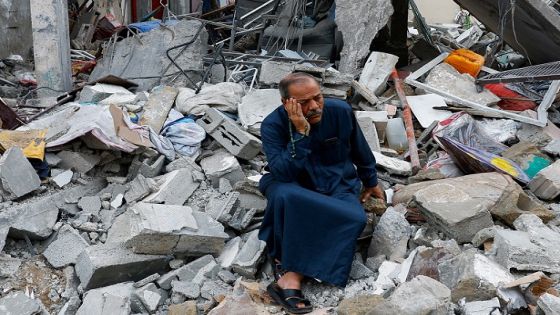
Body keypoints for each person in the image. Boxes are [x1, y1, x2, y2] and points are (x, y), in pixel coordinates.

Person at [258, 72, 384, 314]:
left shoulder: (339, 111)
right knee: (284, 196)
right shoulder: (272, 126)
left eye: (318, 98)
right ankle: (290, 277)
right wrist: (300, 133)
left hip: (337, 183)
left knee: (356, 218)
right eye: (304, 103)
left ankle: (290, 268)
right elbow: (283, 172)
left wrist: (370, 180)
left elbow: (359, 147)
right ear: (287, 103)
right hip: (295, 185)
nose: (314, 107)